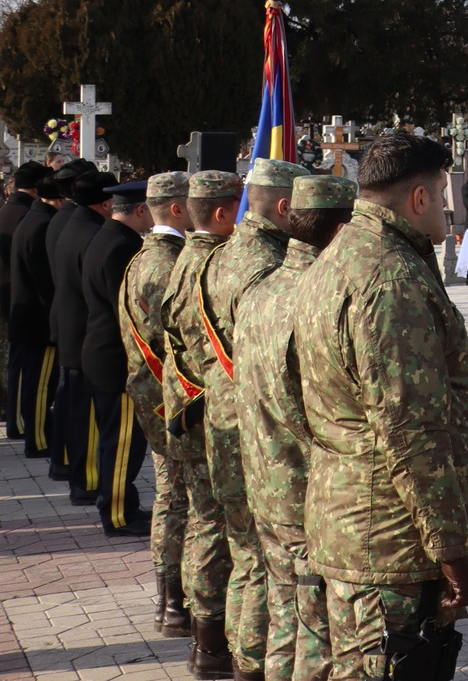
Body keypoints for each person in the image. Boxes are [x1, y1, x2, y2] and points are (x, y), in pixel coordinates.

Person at [295, 134, 468, 680]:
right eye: (442, 193)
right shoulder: (391, 278)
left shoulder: (338, 258)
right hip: (392, 542)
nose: (448, 207)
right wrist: (452, 550)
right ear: (419, 198)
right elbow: (410, 430)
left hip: (353, 521)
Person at [237, 173, 357, 681]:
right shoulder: (321, 294)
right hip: (308, 486)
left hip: (264, 475)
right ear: (340, 229)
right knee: (318, 625)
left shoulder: (261, 289)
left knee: (284, 605)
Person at [199, 157, 310, 677]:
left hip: (227, 411)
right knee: (268, 564)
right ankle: (252, 661)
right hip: (259, 423)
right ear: (285, 207)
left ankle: (225, 656)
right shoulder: (267, 263)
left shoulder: (223, 253)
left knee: (247, 552)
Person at [161, 169, 246, 678]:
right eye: (241, 206)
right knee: (216, 528)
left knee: (203, 521)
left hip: (190, 409)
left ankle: (203, 635)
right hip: (214, 414)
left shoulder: (184, 259)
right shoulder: (215, 263)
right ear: (222, 212)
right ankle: (211, 643)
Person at [119, 171, 194, 632]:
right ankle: (176, 601)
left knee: (170, 496)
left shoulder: (141, 257)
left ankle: (170, 599)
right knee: (181, 500)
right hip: (173, 400)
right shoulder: (170, 264)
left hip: (154, 396)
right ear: (179, 208)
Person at [80, 177, 151, 537]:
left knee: (115, 439)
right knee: (123, 442)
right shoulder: (122, 247)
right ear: (140, 210)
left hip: (102, 352)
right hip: (115, 359)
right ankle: (119, 513)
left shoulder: (106, 237)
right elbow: (126, 309)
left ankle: (123, 504)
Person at [50, 166, 112, 505]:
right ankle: (86, 482)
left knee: (76, 412)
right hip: (85, 334)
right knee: (86, 420)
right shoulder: (91, 233)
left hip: (73, 330)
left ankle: (79, 475)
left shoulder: (72, 223)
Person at [9, 164, 63, 459]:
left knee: (32, 379)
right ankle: (39, 439)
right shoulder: (41, 224)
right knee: (41, 384)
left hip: (27, 317)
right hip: (38, 320)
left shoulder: (33, 217)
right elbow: (44, 281)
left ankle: (35, 432)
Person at [1, 162, 48, 443]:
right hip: (22, 300)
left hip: (11, 299)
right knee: (26, 368)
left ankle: (16, 420)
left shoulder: (7, 211)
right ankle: (20, 421)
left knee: (17, 364)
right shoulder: (27, 216)